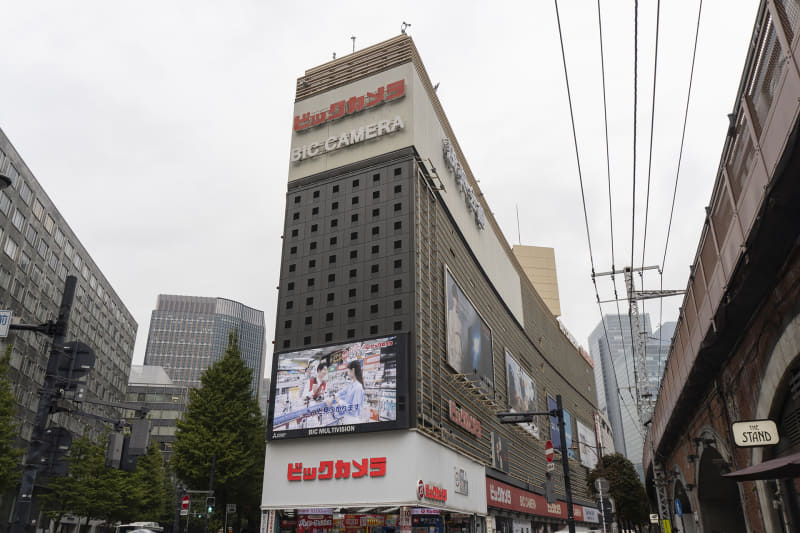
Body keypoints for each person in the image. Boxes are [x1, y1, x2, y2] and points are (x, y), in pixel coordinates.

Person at [326, 360, 365, 424]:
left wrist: (340, 401)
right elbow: (342, 392)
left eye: (348, 371)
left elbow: (354, 408)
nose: (347, 373)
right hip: (347, 417)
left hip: (353, 419)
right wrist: (332, 397)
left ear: (353, 370)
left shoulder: (358, 388)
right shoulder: (351, 384)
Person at [447, 286, 465, 373]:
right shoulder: (451, 314)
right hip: (453, 344)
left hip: (458, 345)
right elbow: (450, 331)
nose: (456, 301)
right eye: (455, 298)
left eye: (456, 299)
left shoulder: (459, 319)